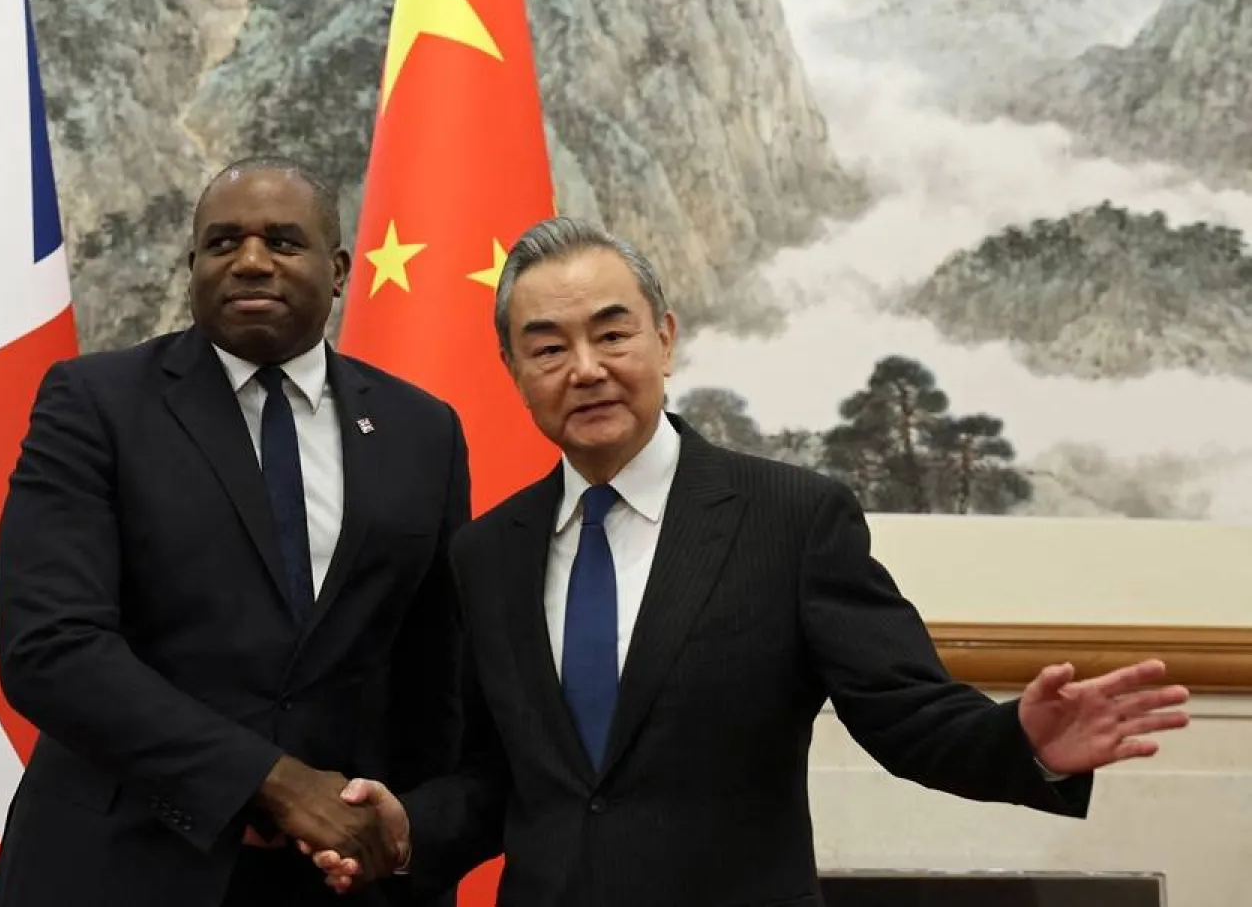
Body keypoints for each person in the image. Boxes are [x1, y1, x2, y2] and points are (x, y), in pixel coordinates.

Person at [305, 216, 1192, 906]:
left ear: (665, 337)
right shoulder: (486, 552)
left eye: (613, 335)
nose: (585, 368)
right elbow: (504, 774)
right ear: (512, 368)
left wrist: (1025, 744)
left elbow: (906, 713)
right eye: (548, 347)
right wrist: (408, 824)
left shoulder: (791, 519)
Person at [0, 157, 470, 907]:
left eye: (282, 241)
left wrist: (403, 840)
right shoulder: (95, 404)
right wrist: (272, 782)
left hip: (339, 880)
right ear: (192, 266)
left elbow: (435, 679)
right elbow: (50, 647)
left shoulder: (423, 430)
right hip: (125, 866)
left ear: (337, 268)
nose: (250, 261)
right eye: (222, 243)